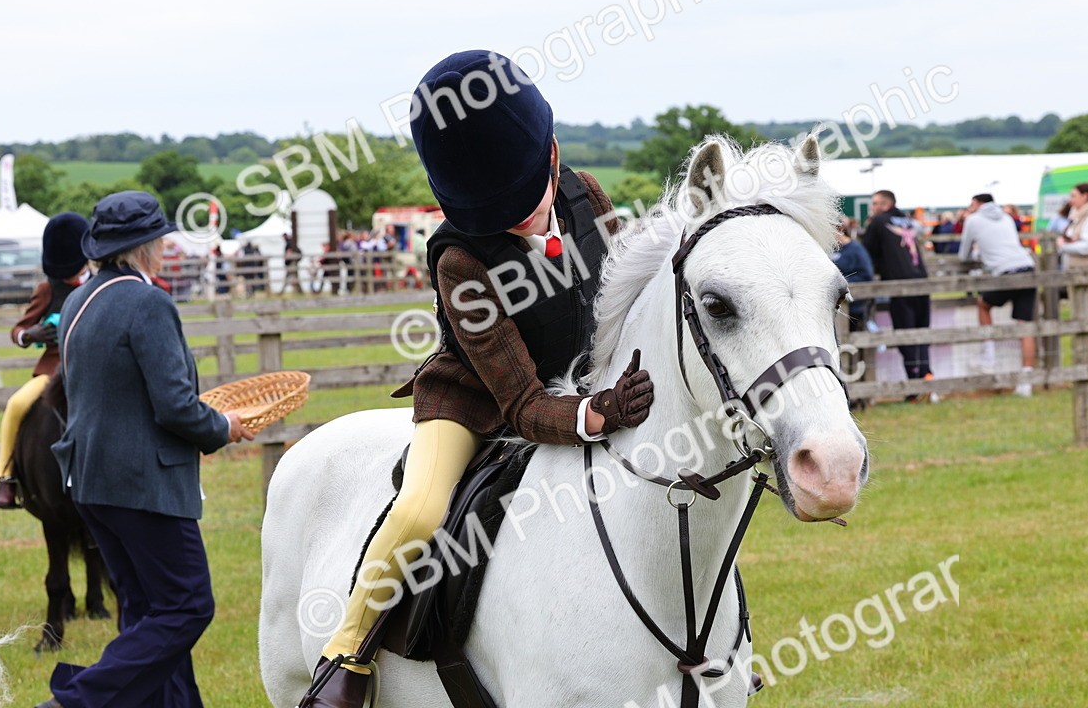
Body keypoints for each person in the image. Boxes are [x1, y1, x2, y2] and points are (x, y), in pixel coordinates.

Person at [300, 50, 655, 707]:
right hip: (476, 401)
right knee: (420, 508)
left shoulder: (587, 196)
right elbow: (521, 403)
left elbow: (630, 298)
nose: (516, 220)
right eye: (495, 212)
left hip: (588, 378)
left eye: (524, 201)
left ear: (551, 156)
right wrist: (594, 413)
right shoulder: (461, 258)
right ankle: (345, 655)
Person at [39, 191, 255, 708]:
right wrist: (223, 427)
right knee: (186, 608)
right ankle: (73, 702)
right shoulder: (149, 301)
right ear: (146, 246)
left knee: (146, 611)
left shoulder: (79, 299)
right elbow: (175, 406)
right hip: (141, 484)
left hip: (91, 480)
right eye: (159, 238)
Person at [0, 213, 91, 509]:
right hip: (53, 370)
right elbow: (18, 330)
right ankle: (6, 478)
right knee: (16, 404)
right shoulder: (47, 289)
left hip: (92, 368)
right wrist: (30, 334)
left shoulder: (100, 284)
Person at [958, 193, 1037, 396]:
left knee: (983, 304)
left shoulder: (973, 220)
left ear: (977, 204)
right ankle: (1026, 382)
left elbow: (963, 255)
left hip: (1006, 272)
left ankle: (989, 355)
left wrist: (979, 254)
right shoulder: (1006, 216)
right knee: (1024, 324)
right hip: (1027, 267)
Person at [863, 189, 934, 398]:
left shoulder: (878, 221)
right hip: (921, 282)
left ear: (885, 204)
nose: (872, 208)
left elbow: (867, 252)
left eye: (875, 203)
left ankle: (915, 386)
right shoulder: (907, 220)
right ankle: (926, 376)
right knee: (922, 333)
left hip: (899, 285)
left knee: (906, 334)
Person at [831, 221, 873, 332]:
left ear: (840, 231)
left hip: (852, 303)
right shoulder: (832, 250)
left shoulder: (856, 250)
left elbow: (866, 275)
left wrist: (843, 282)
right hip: (833, 303)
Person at [1056, 183, 1088, 269]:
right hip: (1076, 271)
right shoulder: (1079, 215)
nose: (1070, 200)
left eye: (1073, 196)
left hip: (1086, 273)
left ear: (1085, 196)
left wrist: (1063, 246)